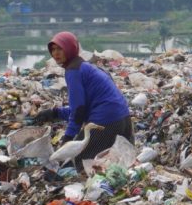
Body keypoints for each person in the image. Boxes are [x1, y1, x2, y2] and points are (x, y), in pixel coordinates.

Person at [35, 32, 133, 169]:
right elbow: (83, 108)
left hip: (105, 122)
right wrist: (54, 112)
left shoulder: (73, 71)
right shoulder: (85, 66)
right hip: (123, 118)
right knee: (119, 164)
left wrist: (68, 139)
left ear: (70, 48)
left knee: (76, 164)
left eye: (60, 49)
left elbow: (79, 111)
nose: (55, 53)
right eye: (53, 49)